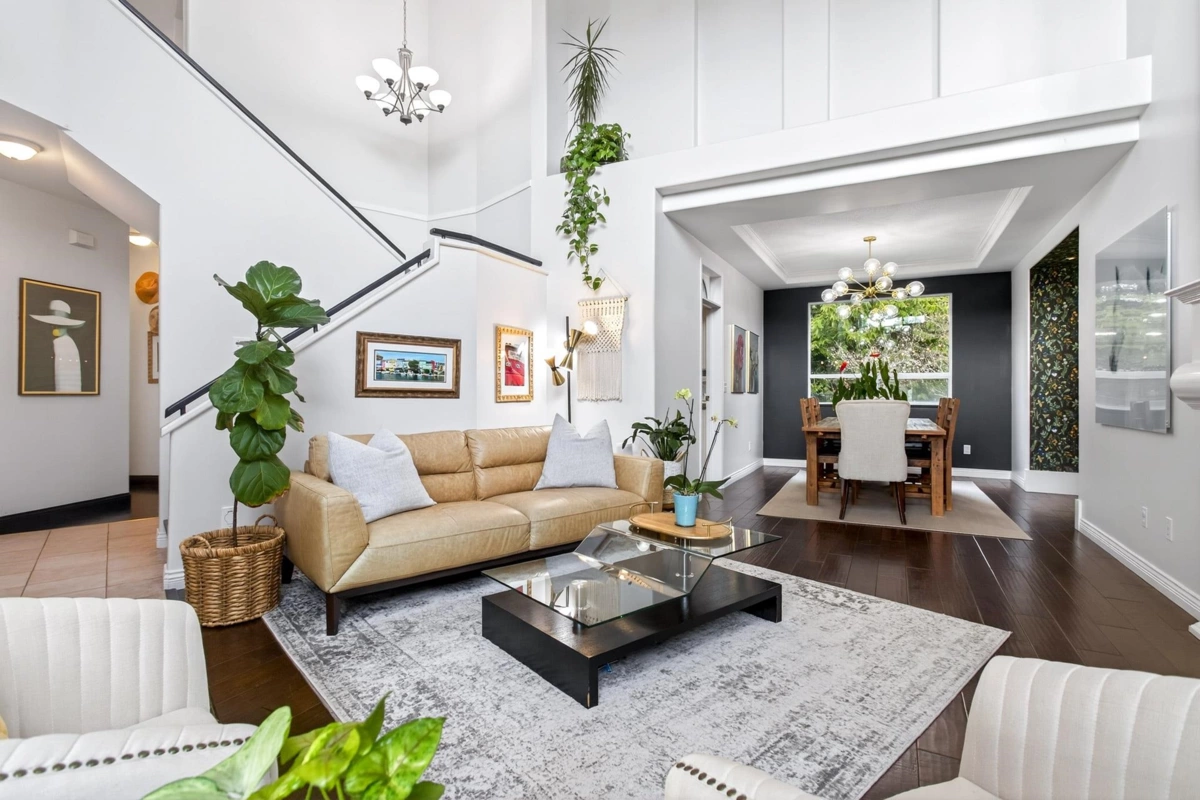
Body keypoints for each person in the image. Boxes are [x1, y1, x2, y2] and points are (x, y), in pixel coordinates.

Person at [29, 299, 86, 392]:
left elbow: (66, 382)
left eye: (60, 325)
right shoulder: (52, 342)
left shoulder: (66, 344)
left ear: (67, 326)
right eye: (53, 324)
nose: (55, 327)